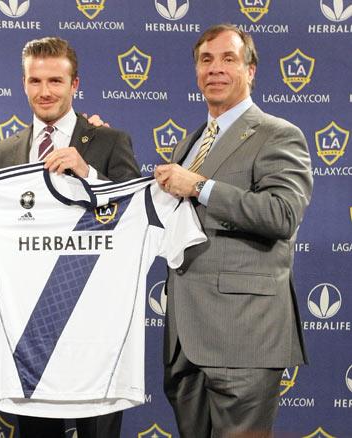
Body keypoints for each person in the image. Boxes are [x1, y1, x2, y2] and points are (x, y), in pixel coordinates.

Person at [0, 36, 140, 438]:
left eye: (56, 81)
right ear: (23, 84)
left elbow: (132, 214)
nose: (45, 91)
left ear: (75, 85)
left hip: (95, 327)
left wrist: (89, 175)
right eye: (35, 81)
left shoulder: (109, 142)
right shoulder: (1, 153)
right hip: (30, 330)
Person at [154, 24, 313, 437]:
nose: (216, 69)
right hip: (186, 339)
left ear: (251, 70)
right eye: (206, 60)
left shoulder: (278, 134)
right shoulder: (190, 143)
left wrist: (201, 187)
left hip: (244, 337)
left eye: (228, 59)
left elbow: (282, 215)